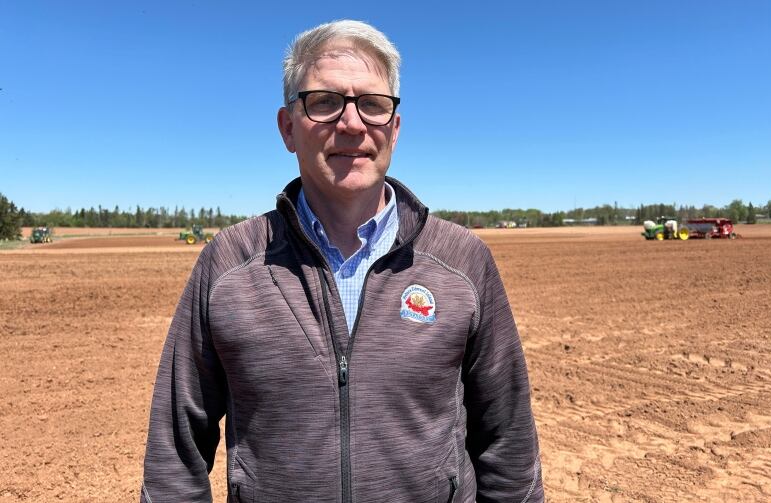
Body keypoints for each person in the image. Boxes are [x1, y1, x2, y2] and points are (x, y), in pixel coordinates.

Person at [141, 20, 544, 503]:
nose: (351, 124)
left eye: (372, 105)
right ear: (288, 127)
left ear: (394, 129)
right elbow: (174, 454)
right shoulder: (228, 264)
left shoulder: (462, 261)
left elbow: (509, 446)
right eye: (325, 101)